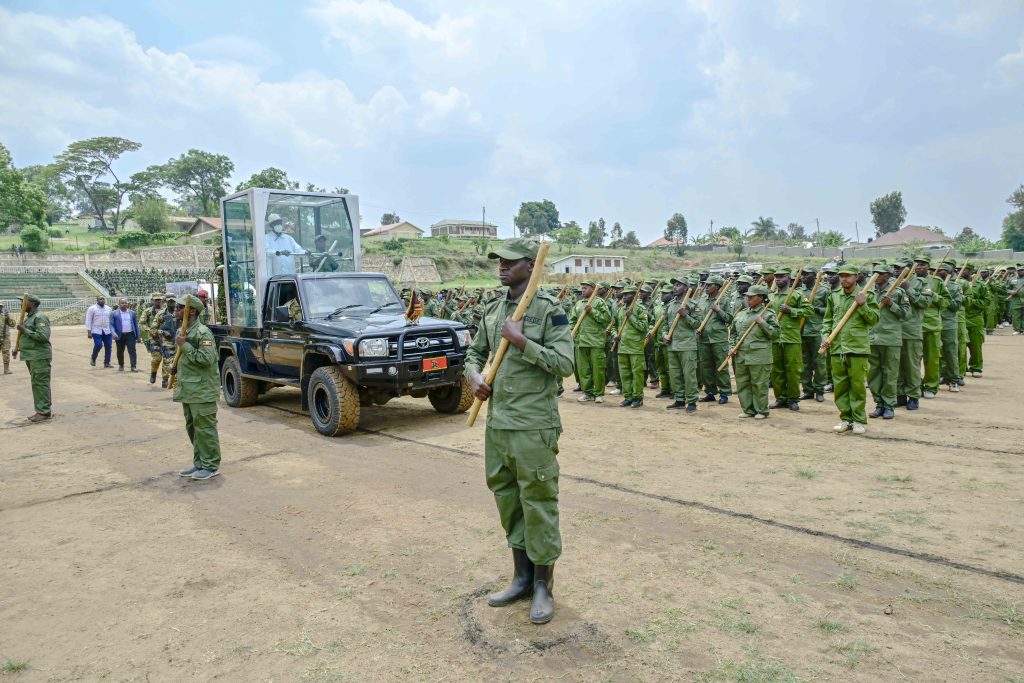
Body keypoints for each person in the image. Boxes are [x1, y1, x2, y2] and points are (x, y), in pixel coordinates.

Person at [464, 238, 574, 625]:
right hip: (499, 426)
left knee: (538, 503)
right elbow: (474, 352)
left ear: (531, 265)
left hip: (534, 426)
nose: (502, 267)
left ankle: (544, 585)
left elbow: (564, 363)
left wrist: (523, 341)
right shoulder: (493, 310)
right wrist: (474, 377)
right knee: (508, 500)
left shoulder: (548, 310)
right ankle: (521, 577)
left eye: (510, 262)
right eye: (499, 262)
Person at [821, 264, 879, 434]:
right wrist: (825, 336)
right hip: (837, 346)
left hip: (857, 347)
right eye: (842, 276)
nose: (844, 279)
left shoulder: (867, 295)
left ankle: (858, 420)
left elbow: (874, 319)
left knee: (857, 386)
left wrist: (863, 305)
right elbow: (828, 320)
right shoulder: (834, 296)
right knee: (840, 385)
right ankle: (846, 418)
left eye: (848, 276)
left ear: (857, 277)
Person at [171, 297, 222, 481]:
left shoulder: (202, 333)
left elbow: (206, 359)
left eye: (178, 308)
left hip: (202, 391)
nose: (174, 310)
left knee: (205, 429)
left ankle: (211, 466)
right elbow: (185, 359)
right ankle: (200, 463)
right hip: (189, 390)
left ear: (191, 311)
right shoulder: (183, 330)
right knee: (193, 428)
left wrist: (184, 345)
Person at [727, 284, 778, 419]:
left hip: (759, 355)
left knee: (759, 384)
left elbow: (775, 334)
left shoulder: (767, 314)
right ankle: (748, 409)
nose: (748, 299)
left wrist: (762, 323)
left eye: (752, 296)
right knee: (743, 383)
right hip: (741, 355)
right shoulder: (741, 314)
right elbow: (733, 334)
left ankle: (761, 410)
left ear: (761, 298)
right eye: (747, 296)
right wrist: (732, 347)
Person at [867, 264, 910, 419]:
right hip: (873, 338)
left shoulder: (898, 292)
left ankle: (889, 405)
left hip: (890, 338)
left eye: (880, 273)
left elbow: (906, 314)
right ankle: (879, 404)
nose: (876, 276)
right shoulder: (869, 292)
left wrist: (892, 304)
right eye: (874, 273)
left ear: (888, 276)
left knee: (890, 374)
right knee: (873, 375)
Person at [769, 269, 809, 411]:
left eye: (781, 277)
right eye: (776, 277)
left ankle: (793, 399)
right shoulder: (771, 296)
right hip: (775, 338)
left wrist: (791, 310)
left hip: (791, 338)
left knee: (793, 370)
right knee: (776, 370)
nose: (778, 279)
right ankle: (780, 398)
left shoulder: (796, 295)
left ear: (788, 278)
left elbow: (808, 311)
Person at [664, 276, 702, 412]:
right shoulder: (670, 305)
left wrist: (685, 315)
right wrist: (665, 335)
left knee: (689, 375)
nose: (675, 287)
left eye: (678, 285)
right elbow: (665, 324)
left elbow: (698, 324)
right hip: (672, 345)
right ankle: (679, 399)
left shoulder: (693, 305)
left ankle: (691, 401)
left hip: (687, 345)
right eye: (674, 285)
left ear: (686, 288)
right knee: (675, 374)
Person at [570, 279, 611, 403]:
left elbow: (606, 319)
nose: (583, 290)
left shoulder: (599, 302)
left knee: (597, 368)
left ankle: (599, 393)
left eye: (586, 288)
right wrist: (572, 332)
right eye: (582, 288)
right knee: (584, 369)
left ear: (593, 290)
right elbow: (572, 320)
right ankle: (587, 392)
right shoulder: (578, 304)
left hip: (595, 341)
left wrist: (592, 311)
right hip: (581, 342)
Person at [13, 295, 51, 422]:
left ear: (32, 304)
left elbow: (43, 337)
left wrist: (24, 330)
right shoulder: (29, 317)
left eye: (23, 302)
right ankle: (41, 410)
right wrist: (18, 348)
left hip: (39, 356)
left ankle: (43, 412)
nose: (21, 304)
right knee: (37, 383)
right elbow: (29, 338)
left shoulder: (40, 317)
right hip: (31, 355)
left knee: (40, 384)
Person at [614, 285, 649, 407]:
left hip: (635, 348)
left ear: (634, 295)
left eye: (627, 294)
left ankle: (637, 398)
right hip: (622, 347)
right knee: (625, 374)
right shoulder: (620, 310)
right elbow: (613, 325)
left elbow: (643, 327)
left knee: (637, 374)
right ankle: (627, 396)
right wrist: (615, 335)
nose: (624, 296)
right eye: (623, 294)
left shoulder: (640, 309)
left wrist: (631, 316)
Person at [797, 269, 828, 402]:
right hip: (801, 330)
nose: (803, 277)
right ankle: (807, 390)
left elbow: (830, 310)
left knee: (819, 362)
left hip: (817, 330)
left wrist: (817, 309)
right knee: (804, 363)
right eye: (802, 274)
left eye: (806, 274)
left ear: (815, 276)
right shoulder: (799, 292)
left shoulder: (824, 291)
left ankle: (819, 390)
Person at [935, 261, 963, 392]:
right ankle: (940, 375)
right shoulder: (932, 285)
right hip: (934, 322)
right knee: (936, 352)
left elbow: (956, 306)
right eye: (938, 270)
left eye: (943, 270)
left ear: (949, 273)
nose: (940, 272)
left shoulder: (954, 287)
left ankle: (953, 379)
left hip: (948, 323)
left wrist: (943, 296)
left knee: (950, 352)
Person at [110, 298, 141, 373]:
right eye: (122, 303)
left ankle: (133, 367)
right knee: (120, 351)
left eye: (126, 303)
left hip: (130, 335)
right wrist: (113, 333)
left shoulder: (132, 313)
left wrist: (138, 335)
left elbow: (135, 325)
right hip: (119, 335)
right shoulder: (114, 313)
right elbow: (111, 325)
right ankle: (121, 365)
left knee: (132, 351)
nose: (124, 304)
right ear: (119, 304)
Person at [85, 295, 114, 368]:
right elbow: (88, 319)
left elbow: (111, 320)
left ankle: (107, 363)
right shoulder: (92, 308)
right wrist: (89, 331)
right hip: (96, 330)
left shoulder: (108, 309)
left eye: (103, 299)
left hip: (107, 330)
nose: (102, 300)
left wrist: (112, 330)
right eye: (100, 299)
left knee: (108, 346)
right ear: (97, 300)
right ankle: (93, 357)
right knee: (98, 345)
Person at [1, 303, 15, 375]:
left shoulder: (5, 312)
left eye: (1, 306)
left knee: (6, 352)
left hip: (5, 336)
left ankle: (6, 369)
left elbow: (13, 324)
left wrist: (8, 317)